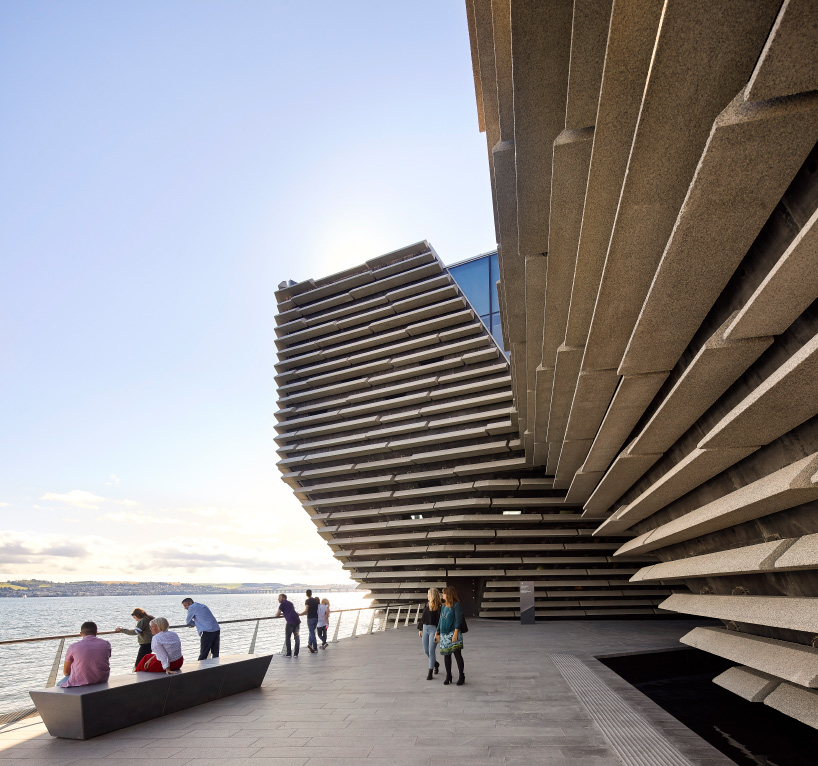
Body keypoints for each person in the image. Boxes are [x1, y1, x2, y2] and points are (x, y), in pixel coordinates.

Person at [57, 622, 111, 687]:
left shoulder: (73, 647)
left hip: (81, 681)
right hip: (102, 679)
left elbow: (66, 672)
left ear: (81, 634)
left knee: (58, 685)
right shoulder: (106, 644)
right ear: (96, 632)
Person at [435, 585, 465, 686]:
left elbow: (458, 620)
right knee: (446, 656)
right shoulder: (443, 607)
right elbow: (441, 620)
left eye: (444, 593)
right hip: (444, 635)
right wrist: (437, 632)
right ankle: (449, 675)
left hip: (453, 633)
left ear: (449, 594)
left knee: (457, 655)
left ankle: (461, 676)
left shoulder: (456, 605)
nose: (442, 595)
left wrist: (455, 633)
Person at [417, 588, 441, 680]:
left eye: (428, 594)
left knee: (431, 651)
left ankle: (430, 671)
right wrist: (420, 629)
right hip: (425, 628)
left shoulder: (439, 607)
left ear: (432, 595)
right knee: (426, 650)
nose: (427, 596)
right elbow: (423, 618)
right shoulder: (426, 605)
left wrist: (438, 633)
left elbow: (439, 621)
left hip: (433, 630)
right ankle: (435, 663)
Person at [274, 593, 300, 657]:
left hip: (290, 622)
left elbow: (277, 614)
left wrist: (277, 614)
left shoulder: (282, 604)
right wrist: (284, 613)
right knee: (297, 638)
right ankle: (296, 654)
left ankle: (288, 653)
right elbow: (291, 611)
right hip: (297, 620)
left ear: (284, 598)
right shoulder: (290, 603)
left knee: (288, 638)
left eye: (279, 598)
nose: (278, 599)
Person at [300, 589, 320, 653]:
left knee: (312, 633)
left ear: (306, 594)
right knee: (311, 632)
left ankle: (315, 648)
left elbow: (306, 610)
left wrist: (300, 614)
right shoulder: (316, 600)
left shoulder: (307, 601)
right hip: (316, 618)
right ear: (311, 593)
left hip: (310, 618)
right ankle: (310, 646)